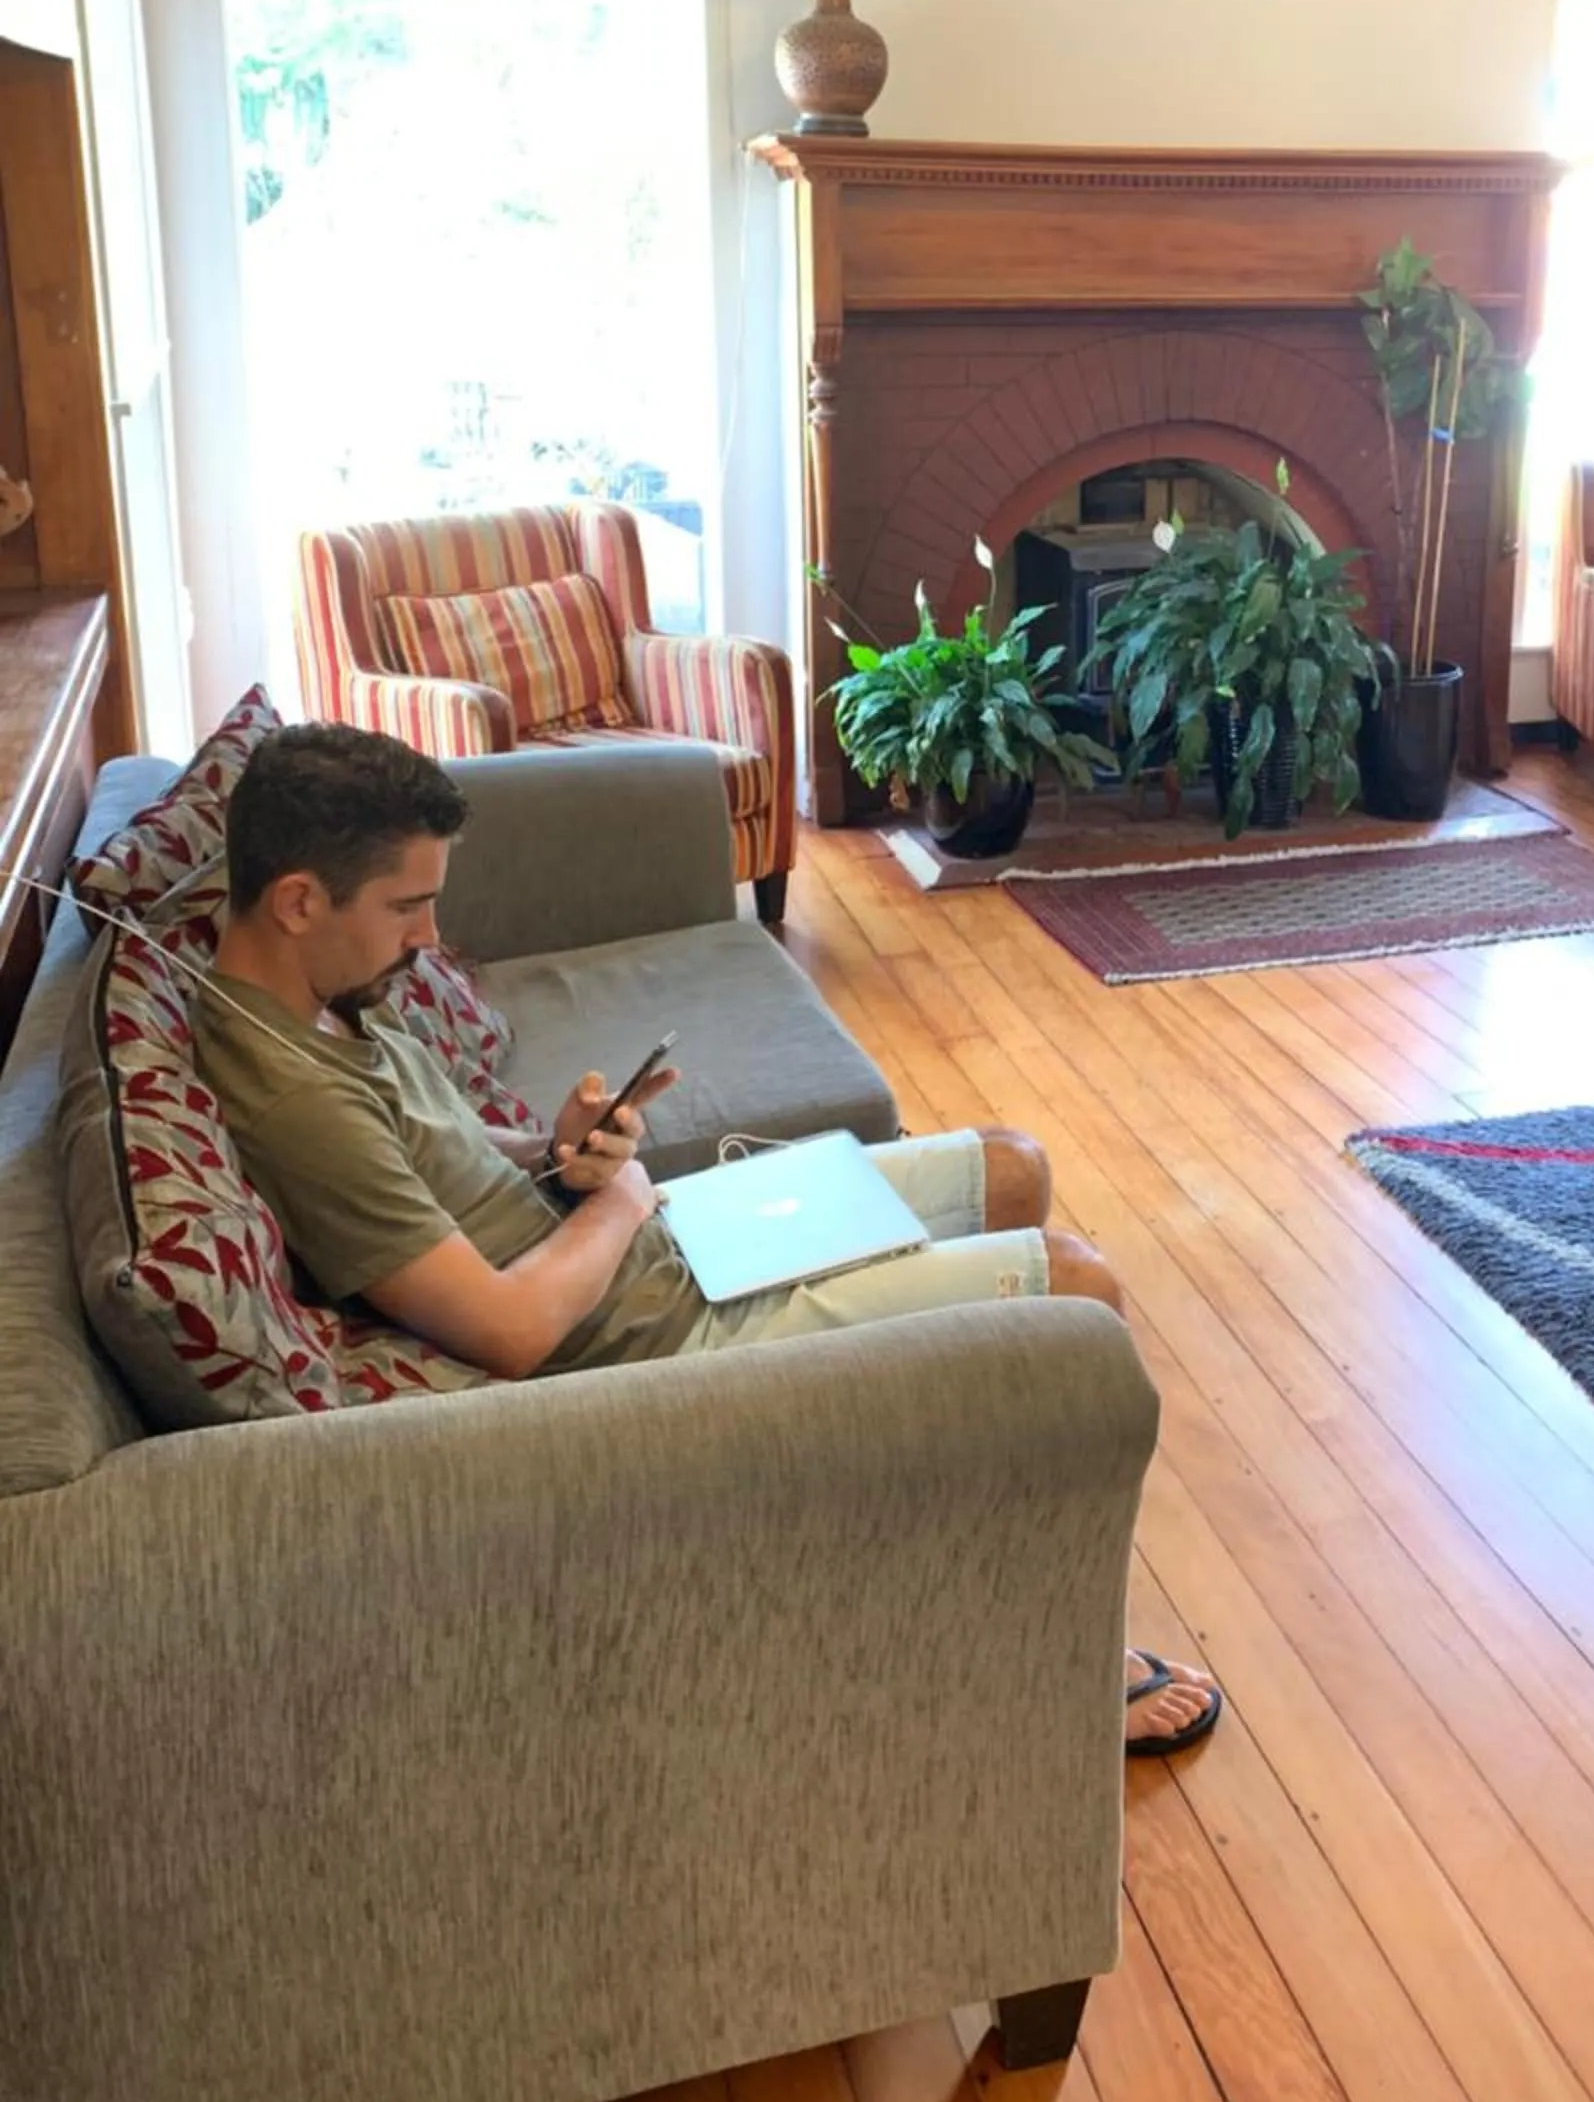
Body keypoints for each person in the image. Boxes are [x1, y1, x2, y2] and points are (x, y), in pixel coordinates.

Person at [191, 722, 1220, 1754]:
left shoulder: (324, 1001)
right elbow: (509, 1330)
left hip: (672, 1248)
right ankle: (1069, 1653)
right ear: (298, 901)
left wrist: (551, 1149)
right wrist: (624, 1198)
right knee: (1079, 1291)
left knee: (1013, 1165)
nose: (428, 937)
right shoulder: (290, 1099)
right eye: (407, 906)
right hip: (669, 1340)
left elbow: (436, 1156)